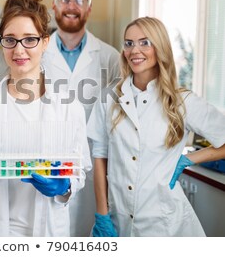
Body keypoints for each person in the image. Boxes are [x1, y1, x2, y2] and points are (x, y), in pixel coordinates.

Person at [0, 0, 92, 236]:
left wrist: (64, 184)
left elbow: (79, 170)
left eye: (29, 39)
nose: (19, 50)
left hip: (48, 230)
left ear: (45, 42)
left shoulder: (69, 106)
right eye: (10, 40)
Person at [87, 16, 225, 236]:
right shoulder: (109, 98)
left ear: (159, 47)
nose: (135, 50)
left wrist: (189, 159)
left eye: (145, 42)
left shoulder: (182, 101)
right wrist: (102, 215)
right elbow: (100, 156)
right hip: (118, 219)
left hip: (166, 224)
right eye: (129, 43)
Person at [42, 0, 121, 236]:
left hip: (94, 168)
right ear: (54, 5)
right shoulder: (36, 53)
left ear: (89, 6)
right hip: (48, 162)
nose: (71, 6)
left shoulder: (110, 58)